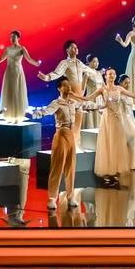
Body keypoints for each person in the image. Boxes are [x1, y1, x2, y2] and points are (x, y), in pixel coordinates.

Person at [84, 67, 135, 185]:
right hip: (107, 119)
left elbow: (134, 95)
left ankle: (116, 171)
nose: (112, 76)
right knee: (109, 143)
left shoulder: (119, 89)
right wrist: (74, 96)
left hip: (118, 119)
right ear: (105, 76)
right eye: (110, 74)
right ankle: (109, 171)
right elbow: (88, 98)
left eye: (114, 74)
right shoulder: (102, 89)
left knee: (118, 144)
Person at [31, 78, 91, 210]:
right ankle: (52, 198)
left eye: (69, 85)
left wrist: (100, 106)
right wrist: (37, 114)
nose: (68, 87)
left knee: (71, 167)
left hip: (71, 136)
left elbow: (85, 105)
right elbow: (46, 111)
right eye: (65, 85)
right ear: (59, 88)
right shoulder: (56, 103)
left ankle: (70, 196)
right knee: (57, 167)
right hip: (61, 135)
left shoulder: (72, 103)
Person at [0, 31, 41, 122]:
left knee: (17, 92)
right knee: (9, 93)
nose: (12, 38)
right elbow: (0, 59)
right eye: (11, 37)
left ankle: (18, 116)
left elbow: (29, 59)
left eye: (14, 37)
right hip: (9, 72)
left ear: (18, 38)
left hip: (18, 72)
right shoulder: (8, 49)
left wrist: (36, 63)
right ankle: (9, 115)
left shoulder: (22, 48)